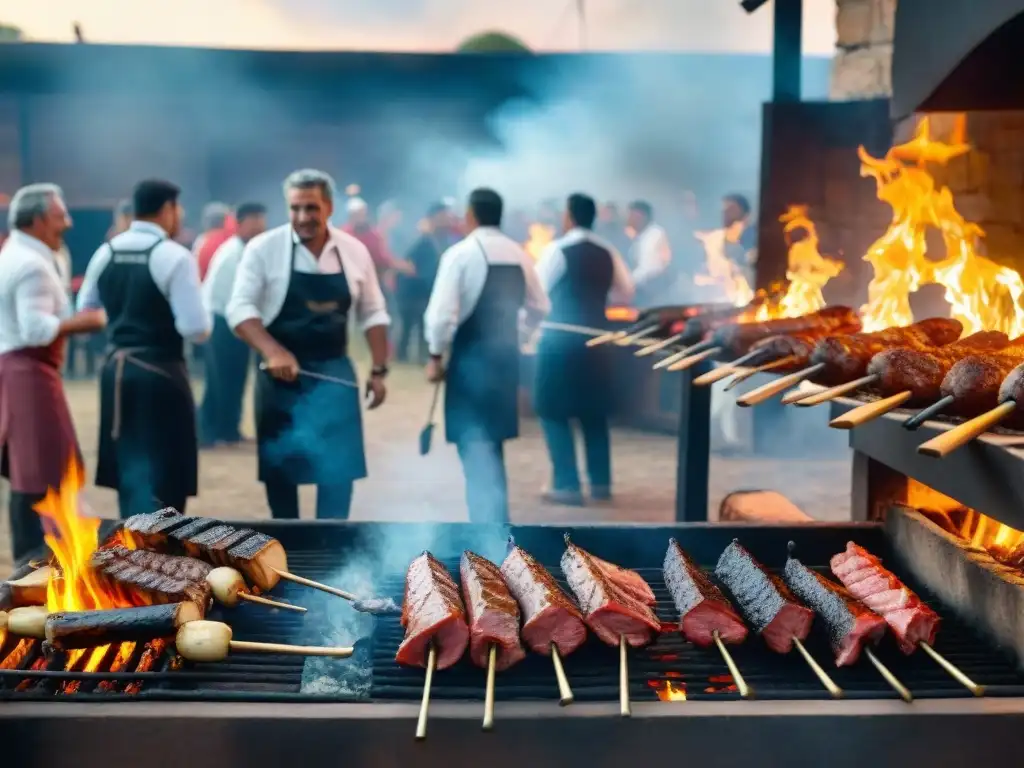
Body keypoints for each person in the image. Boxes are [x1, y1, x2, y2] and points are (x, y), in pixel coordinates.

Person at [227, 169, 390, 520]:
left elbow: (374, 313)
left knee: (337, 478)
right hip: (280, 379)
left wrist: (378, 369)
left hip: (335, 374)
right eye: (296, 208)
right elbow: (239, 308)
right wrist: (273, 351)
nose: (303, 217)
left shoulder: (354, 251)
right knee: (282, 478)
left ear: (329, 207)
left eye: (311, 208)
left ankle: (331, 549)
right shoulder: (263, 249)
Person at [77, 179, 211, 518]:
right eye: (177, 209)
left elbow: (86, 305)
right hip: (161, 376)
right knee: (167, 475)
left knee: (130, 473)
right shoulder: (175, 257)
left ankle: (131, 553)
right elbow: (195, 329)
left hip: (117, 376)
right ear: (167, 209)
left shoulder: (105, 252)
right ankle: (163, 556)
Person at [423, 188, 549, 524]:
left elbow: (441, 317)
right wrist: (519, 335)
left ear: (470, 216)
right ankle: (494, 524)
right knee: (492, 447)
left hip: (470, 364)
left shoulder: (461, 254)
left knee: (475, 447)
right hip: (506, 363)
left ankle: (486, 529)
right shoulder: (520, 254)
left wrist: (435, 354)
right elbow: (540, 306)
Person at [0, 184, 106, 561]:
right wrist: (89, 321)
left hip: (20, 368)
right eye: (61, 215)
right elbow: (35, 330)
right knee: (41, 472)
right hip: (28, 369)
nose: (68, 222)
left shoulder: (20, 253)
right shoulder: (31, 264)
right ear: (39, 220)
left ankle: (30, 556)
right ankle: (34, 559)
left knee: (30, 468)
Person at [534, 192, 635, 505]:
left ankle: (566, 485)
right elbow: (626, 292)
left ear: (569, 216)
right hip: (597, 340)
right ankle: (600, 484)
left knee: (552, 409)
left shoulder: (557, 249)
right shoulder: (608, 251)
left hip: (560, 341)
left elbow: (537, 293)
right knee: (594, 412)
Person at [198, 202, 267, 447]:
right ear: (239, 224)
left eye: (262, 222)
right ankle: (207, 432)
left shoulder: (248, 251)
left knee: (235, 379)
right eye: (254, 222)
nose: (260, 228)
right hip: (221, 322)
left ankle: (229, 431)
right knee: (220, 380)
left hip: (235, 322)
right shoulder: (233, 254)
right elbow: (233, 299)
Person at [395, 201, 459, 364]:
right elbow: (406, 262)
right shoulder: (422, 238)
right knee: (408, 325)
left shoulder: (447, 239)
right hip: (413, 290)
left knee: (426, 325)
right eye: (443, 216)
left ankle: (424, 356)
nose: (447, 219)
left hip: (431, 289)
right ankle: (402, 355)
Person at [627, 200, 673, 308]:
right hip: (645, 290)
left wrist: (627, 284)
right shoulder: (641, 236)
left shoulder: (654, 235)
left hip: (654, 293)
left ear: (641, 216)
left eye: (631, 216)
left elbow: (649, 268)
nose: (628, 219)